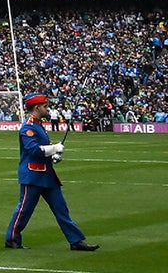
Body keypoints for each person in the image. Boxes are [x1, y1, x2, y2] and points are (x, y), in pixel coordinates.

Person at [7, 93, 99, 252]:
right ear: (37, 108)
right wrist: (54, 148)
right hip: (33, 176)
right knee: (24, 209)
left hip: (47, 175)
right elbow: (33, 149)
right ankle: (12, 238)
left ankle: (76, 240)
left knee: (61, 209)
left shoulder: (38, 124)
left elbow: (43, 147)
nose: (47, 109)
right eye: (45, 106)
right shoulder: (28, 127)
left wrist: (53, 155)